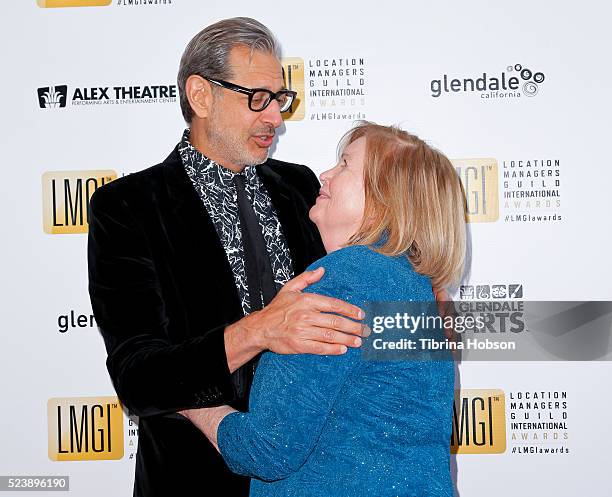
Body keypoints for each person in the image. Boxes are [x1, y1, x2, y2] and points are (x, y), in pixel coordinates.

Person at [87, 17, 369, 497]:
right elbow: (139, 377)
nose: (275, 118)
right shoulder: (128, 207)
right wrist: (261, 330)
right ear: (200, 95)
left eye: (279, 100)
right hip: (194, 480)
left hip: (318, 477)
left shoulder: (304, 188)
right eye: (257, 98)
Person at [181, 122, 467, 496]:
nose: (326, 175)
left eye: (345, 165)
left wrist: (191, 403)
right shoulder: (415, 287)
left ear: (386, 196)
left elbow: (269, 448)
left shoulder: (346, 279)